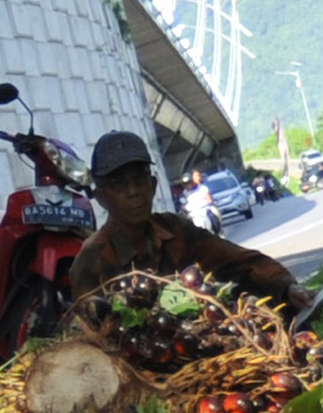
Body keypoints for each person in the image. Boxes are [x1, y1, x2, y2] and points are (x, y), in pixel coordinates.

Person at [63, 130, 308, 310]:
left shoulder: (175, 230)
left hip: (198, 346)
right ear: (101, 198)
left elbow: (239, 260)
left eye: (139, 180)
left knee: (268, 293)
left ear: (153, 186)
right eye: (118, 184)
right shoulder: (93, 259)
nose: (132, 192)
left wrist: (286, 286)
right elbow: (91, 334)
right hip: (137, 365)